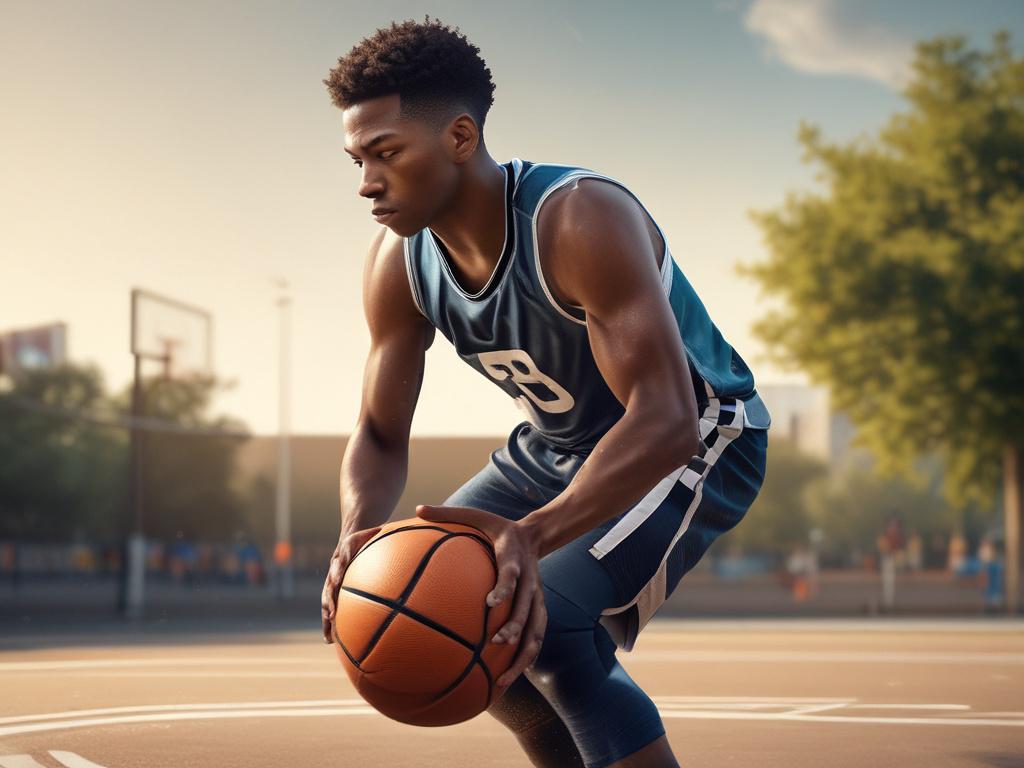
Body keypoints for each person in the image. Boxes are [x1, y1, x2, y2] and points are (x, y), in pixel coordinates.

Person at [319, 17, 771, 768]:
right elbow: (377, 432)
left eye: (386, 154)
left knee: (543, 622)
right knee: (471, 621)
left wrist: (533, 535)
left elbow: (665, 420)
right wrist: (356, 529)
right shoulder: (398, 261)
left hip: (701, 435)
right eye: (357, 158)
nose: (366, 182)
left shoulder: (577, 218)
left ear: (460, 139)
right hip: (557, 447)